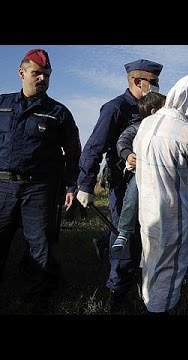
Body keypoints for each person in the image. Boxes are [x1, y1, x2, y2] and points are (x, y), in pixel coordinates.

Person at [76, 59, 188, 312]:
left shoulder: (156, 112)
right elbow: (95, 145)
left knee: (148, 240)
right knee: (127, 240)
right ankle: (119, 294)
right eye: (154, 82)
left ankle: (146, 290)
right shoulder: (115, 109)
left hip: (154, 185)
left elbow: (184, 112)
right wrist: (84, 183)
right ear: (138, 82)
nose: (159, 87)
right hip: (126, 185)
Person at [0, 49, 81, 313]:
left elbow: (73, 152)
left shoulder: (58, 113)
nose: (42, 79)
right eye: (37, 73)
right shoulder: (2, 105)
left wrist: (71, 185)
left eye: (46, 75)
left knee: (41, 246)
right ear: (22, 73)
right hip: (2, 187)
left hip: (39, 189)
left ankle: (37, 301)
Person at [133, 74, 188, 315]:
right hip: (172, 211)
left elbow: (136, 152)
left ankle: (149, 301)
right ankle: (159, 309)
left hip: (146, 209)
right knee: (171, 265)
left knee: (150, 258)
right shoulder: (187, 132)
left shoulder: (146, 123)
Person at [112, 92, 166, 249]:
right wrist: (127, 154)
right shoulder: (138, 127)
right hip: (142, 171)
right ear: (154, 111)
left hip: (163, 172)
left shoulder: (168, 129)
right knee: (132, 196)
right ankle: (124, 231)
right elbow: (123, 140)